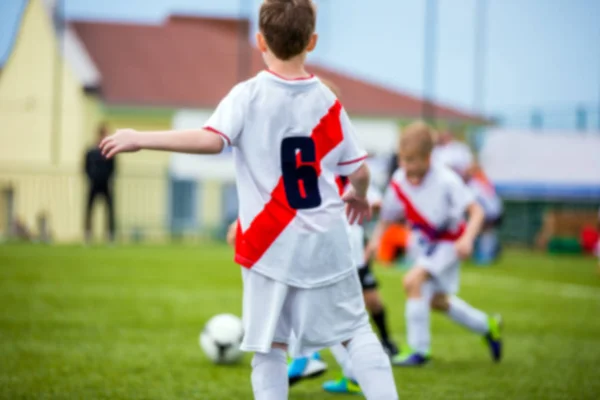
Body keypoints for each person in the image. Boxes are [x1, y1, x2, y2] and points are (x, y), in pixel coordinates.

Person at [100, 1, 398, 399]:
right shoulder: (328, 102)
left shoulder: (248, 95)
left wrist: (142, 138)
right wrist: (359, 198)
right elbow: (359, 172)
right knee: (355, 332)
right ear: (312, 41)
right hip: (327, 238)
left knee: (269, 347)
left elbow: (211, 140)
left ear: (260, 41)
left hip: (269, 245)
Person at [367, 121, 503, 367]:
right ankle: (487, 325)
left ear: (429, 157)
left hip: (449, 243)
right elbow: (387, 217)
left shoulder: (447, 180)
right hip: (426, 246)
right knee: (437, 301)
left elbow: (477, 211)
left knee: (412, 281)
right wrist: (376, 241)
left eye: (412, 161)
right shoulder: (399, 180)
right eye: (403, 159)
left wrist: (467, 239)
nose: (406, 166)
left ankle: (419, 352)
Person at [84, 123, 116, 243]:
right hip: (93, 183)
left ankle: (110, 234)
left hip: (106, 184)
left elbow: (113, 168)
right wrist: (91, 178)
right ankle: (88, 234)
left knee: (110, 209)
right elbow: (85, 167)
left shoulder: (110, 152)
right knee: (89, 209)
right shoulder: (91, 151)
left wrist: (107, 178)